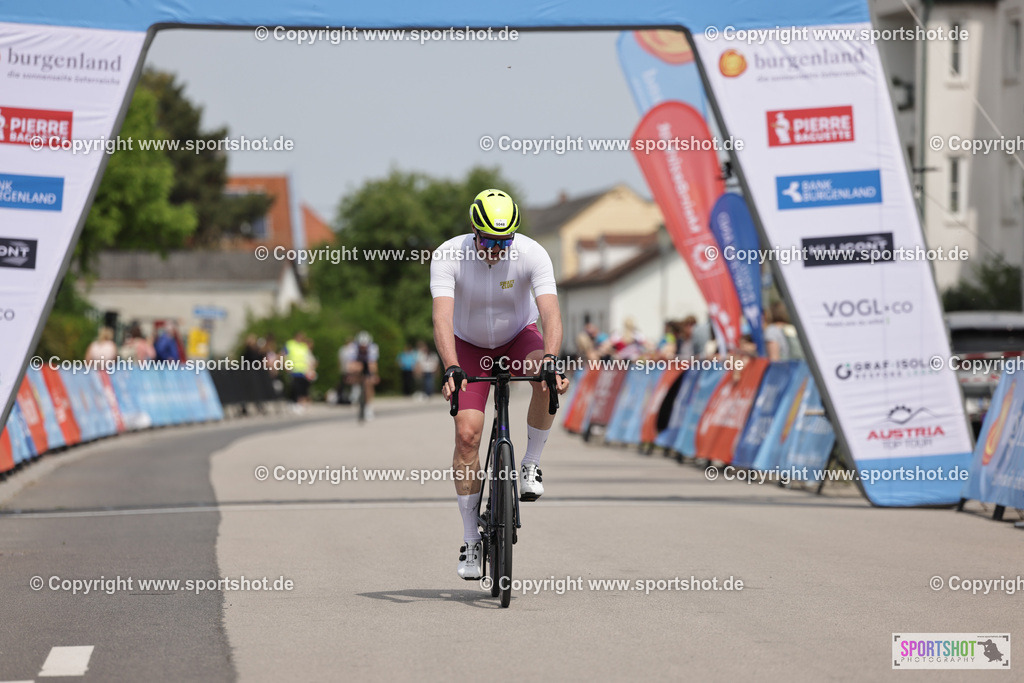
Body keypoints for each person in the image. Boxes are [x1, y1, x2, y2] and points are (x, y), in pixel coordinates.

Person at [431, 188, 570, 580]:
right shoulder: (448, 255)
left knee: (545, 379)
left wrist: (550, 358)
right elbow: (442, 318)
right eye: (489, 242)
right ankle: (471, 538)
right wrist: (451, 367)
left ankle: (530, 465)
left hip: (517, 337)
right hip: (468, 346)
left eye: (503, 242)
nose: (496, 249)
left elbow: (550, 313)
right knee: (467, 436)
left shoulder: (531, 253)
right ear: (475, 233)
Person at [341, 331, 380, 420]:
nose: (363, 348)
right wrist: (350, 375)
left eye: (365, 346)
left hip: (367, 364)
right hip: (356, 364)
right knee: (354, 371)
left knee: (369, 383)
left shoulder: (373, 348)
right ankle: (356, 388)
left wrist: (374, 375)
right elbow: (350, 365)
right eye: (361, 346)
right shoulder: (352, 348)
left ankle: (368, 406)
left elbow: (373, 365)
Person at [284, 332, 316, 411]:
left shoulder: (303, 346)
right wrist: (286, 365)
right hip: (294, 369)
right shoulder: (290, 344)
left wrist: (310, 368)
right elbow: (284, 355)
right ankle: (294, 402)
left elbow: (306, 358)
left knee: (302, 388)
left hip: (303, 370)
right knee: (295, 387)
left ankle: (299, 403)